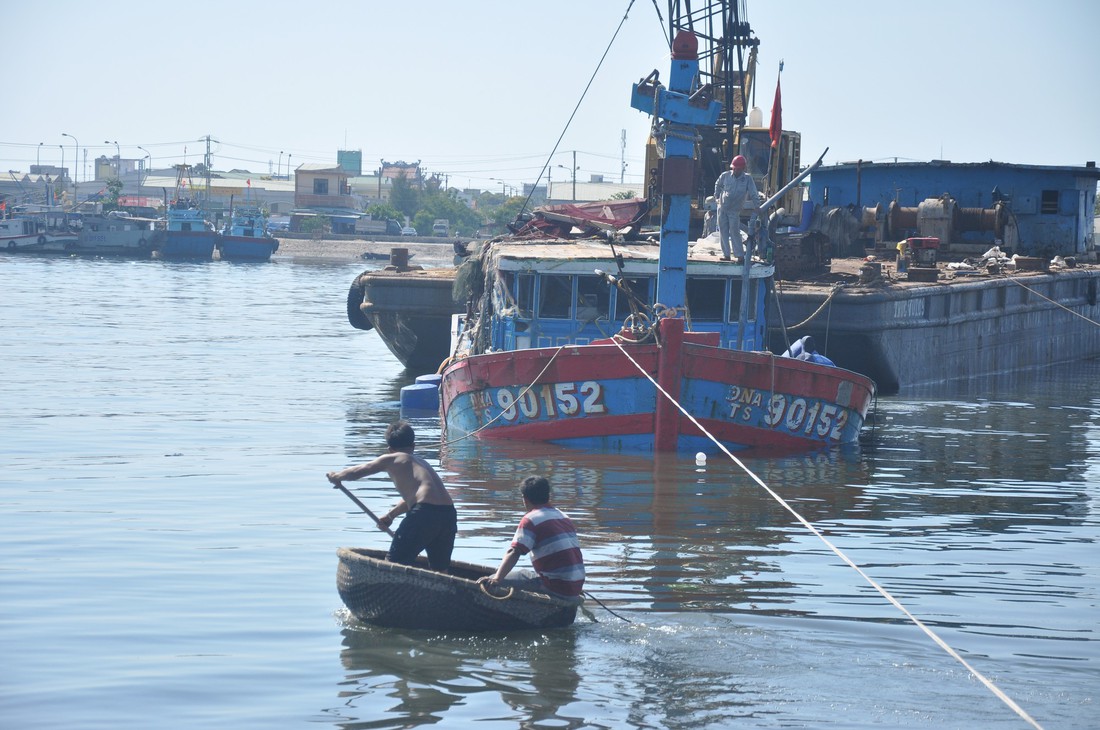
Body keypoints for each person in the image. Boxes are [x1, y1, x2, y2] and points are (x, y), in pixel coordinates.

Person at [326, 420, 457, 571]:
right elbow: (416, 497)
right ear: (413, 446)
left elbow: (360, 470)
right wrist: (390, 516)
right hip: (448, 514)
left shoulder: (392, 458)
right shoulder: (423, 463)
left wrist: (337, 476)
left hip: (425, 514)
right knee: (440, 570)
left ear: (389, 449)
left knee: (393, 565)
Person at [478, 476, 585, 600]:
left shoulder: (531, 519)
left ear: (525, 499)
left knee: (489, 581)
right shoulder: (563, 516)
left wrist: (497, 579)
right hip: (575, 585)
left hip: (556, 585)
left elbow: (514, 552)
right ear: (548, 495)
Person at [713, 154, 760, 262]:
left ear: (743, 168)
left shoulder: (747, 179)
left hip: (734, 210)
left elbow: (753, 192)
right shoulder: (725, 176)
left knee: (734, 231)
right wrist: (716, 197)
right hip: (722, 208)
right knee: (723, 231)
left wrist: (757, 206)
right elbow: (718, 184)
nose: (735, 170)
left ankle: (739, 255)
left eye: (738, 169)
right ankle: (726, 255)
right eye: (734, 168)